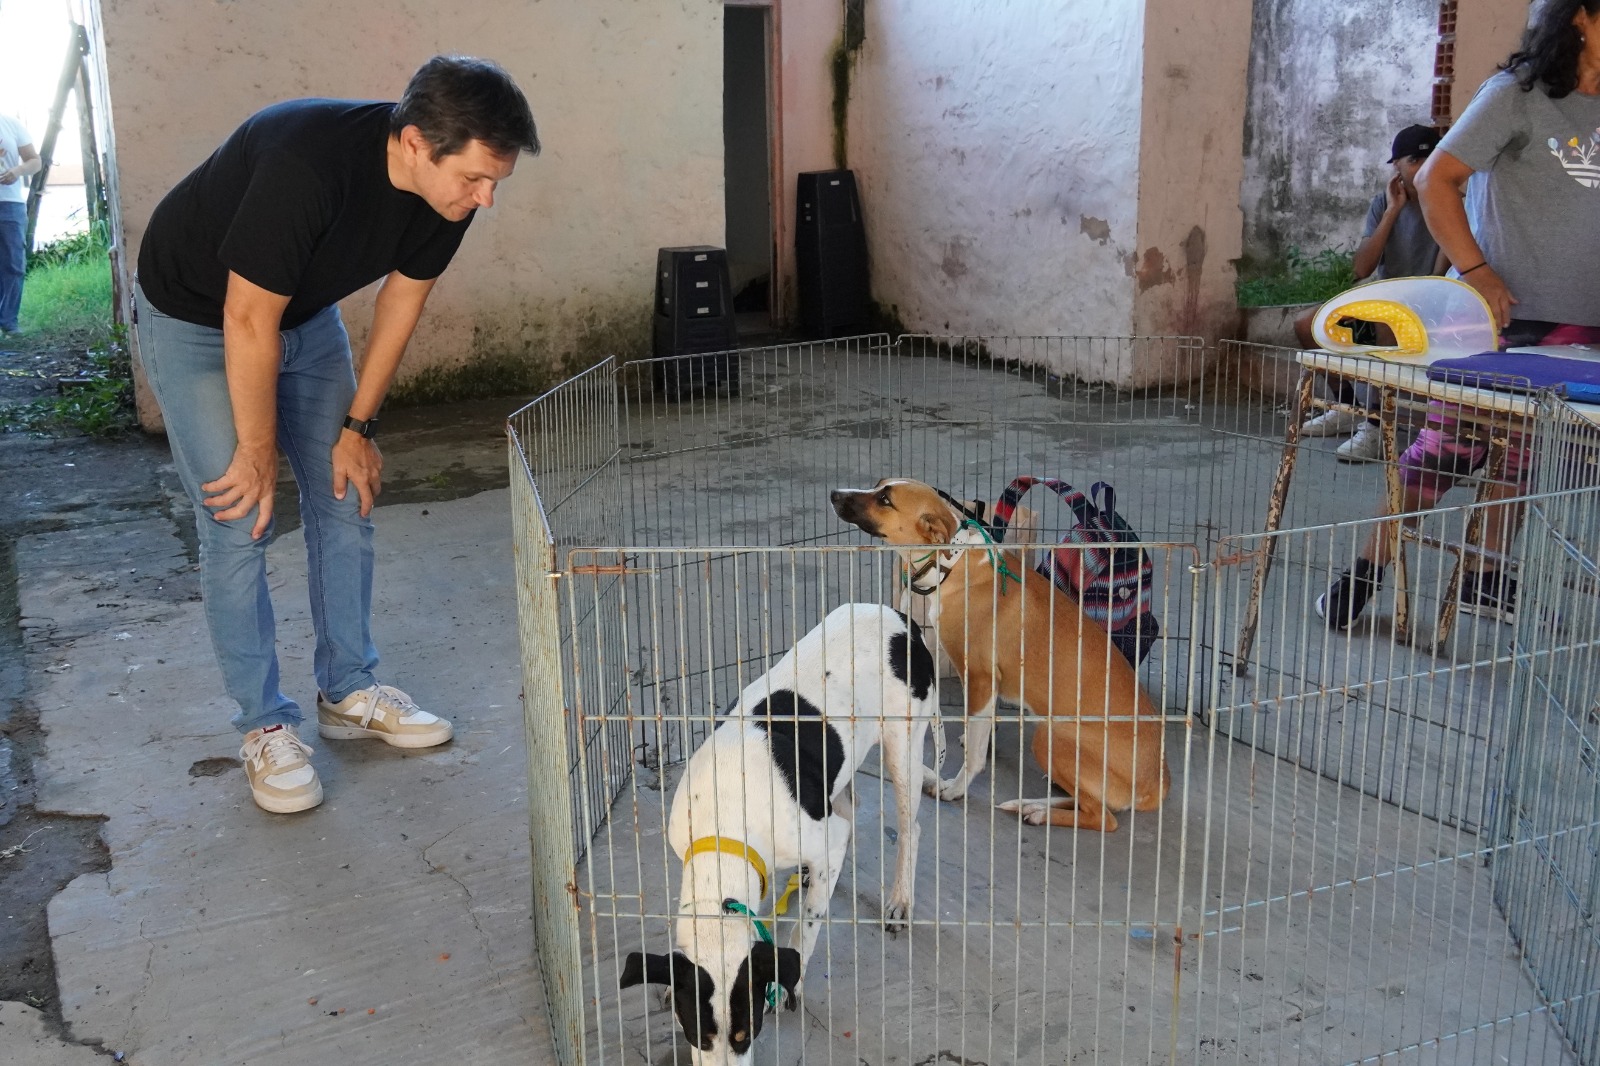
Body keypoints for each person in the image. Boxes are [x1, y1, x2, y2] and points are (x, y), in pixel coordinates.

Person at [135, 56, 539, 813]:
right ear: (416, 143)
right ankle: (263, 725)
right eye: (476, 178)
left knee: (346, 493)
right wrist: (256, 451)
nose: (485, 199)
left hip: (303, 317)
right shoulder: (305, 163)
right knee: (239, 514)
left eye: (495, 182)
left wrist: (359, 427)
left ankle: (348, 690)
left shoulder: (445, 199)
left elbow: (401, 304)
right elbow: (246, 318)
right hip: (199, 319)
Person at [1317, 2, 1600, 631]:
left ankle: (1485, 576)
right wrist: (1476, 271)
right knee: (1447, 450)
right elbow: (1436, 181)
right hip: (1498, 314)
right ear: (1581, 16)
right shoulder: (1517, 94)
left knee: (1524, 459)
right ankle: (1367, 569)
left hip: (1581, 327)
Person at [1294, 124, 1447, 463]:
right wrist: (1392, 211)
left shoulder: (1450, 202)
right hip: (1384, 304)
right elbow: (1362, 268)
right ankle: (1347, 408)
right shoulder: (1383, 203)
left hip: (1429, 314)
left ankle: (1377, 427)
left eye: (1431, 158)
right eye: (1414, 160)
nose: (1423, 167)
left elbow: (1438, 281)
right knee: (1308, 325)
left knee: (1385, 326)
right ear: (1397, 167)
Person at [0, 112, 41, 335]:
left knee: (13, 264)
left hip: (10, 204)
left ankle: (8, 321)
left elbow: (35, 161)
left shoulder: (11, 125)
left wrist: (17, 171)